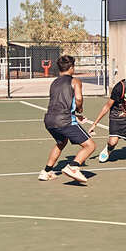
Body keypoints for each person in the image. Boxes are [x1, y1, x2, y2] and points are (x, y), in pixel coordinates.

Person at [39, 53, 95, 184]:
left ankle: (46, 171)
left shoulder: (54, 83)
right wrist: (79, 110)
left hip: (49, 120)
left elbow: (60, 104)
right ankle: (73, 167)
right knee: (90, 145)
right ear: (72, 67)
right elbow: (79, 99)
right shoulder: (75, 81)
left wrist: (74, 115)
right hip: (65, 120)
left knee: (61, 142)